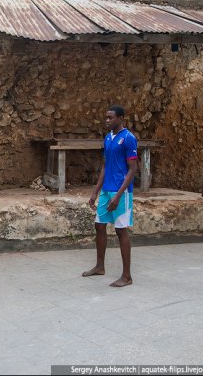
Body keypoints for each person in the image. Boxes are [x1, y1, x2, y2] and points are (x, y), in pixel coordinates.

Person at [82, 105, 137, 287]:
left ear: (120, 118)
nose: (107, 121)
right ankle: (99, 266)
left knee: (121, 231)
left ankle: (127, 276)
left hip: (121, 192)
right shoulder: (108, 138)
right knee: (99, 225)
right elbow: (105, 166)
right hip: (107, 190)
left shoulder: (129, 139)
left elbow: (132, 169)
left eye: (110, 118)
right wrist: (96, 191)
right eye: (106, 117)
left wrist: (118, 196)